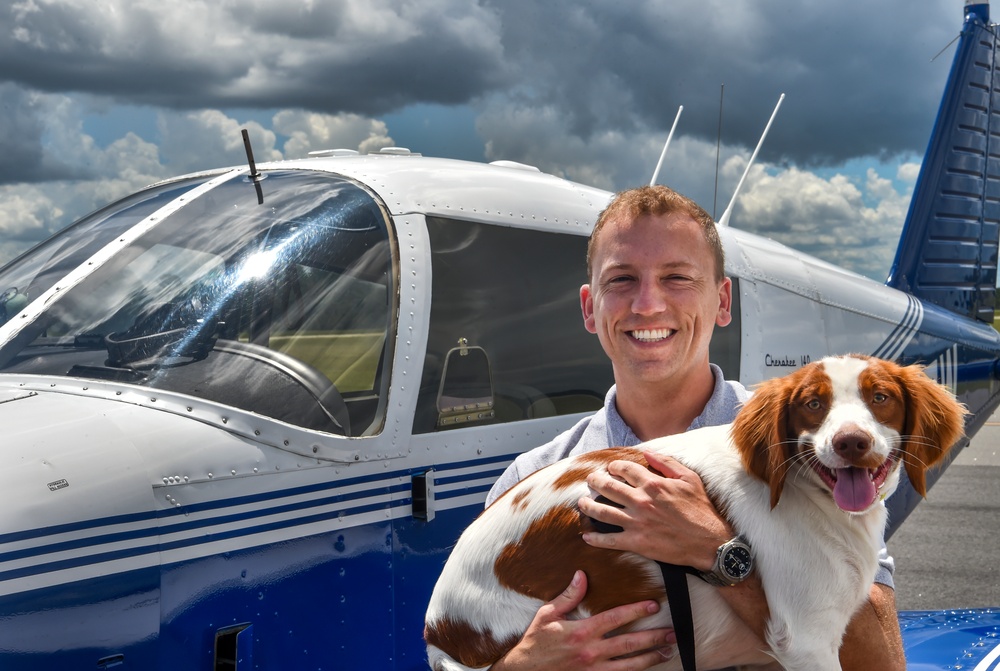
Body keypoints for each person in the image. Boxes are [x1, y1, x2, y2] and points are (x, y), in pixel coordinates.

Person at [483, 185, 906, 671]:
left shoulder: (804, 452)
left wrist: (718, 553)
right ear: (589, 307)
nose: (647, 304)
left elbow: (881, 663)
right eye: (621, 279)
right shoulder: (533, 481)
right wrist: (519, 665)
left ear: (723, 301)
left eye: (677, 277)